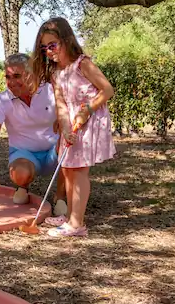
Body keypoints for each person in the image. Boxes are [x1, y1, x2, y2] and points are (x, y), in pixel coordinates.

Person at [36, 17, 116, 238]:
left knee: (78, 170)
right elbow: (61, 104)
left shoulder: (83, 64)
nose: (49, 52)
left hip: (87, 122)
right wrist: (64, 127)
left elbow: (107, 90)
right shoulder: (55, 73)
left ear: (66, 40)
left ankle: (77, 225)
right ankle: (70, 216)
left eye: (53, 45)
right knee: (67, 169)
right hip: (71, 125)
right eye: (44, 48)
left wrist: (87, 109)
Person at [0, 53, 68, 223]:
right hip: (24, 155)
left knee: (69, 143)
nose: (11, 82)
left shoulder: (50, 91)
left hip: (54, 152)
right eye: (8, 77)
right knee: (20, 173)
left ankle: (60, 197)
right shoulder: (1, 101)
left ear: (31, 74)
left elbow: (68, 117)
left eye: (17, 76)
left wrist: (63, 120)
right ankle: (22, 187)